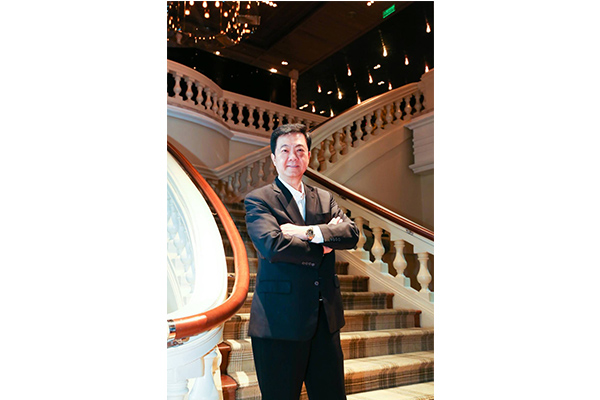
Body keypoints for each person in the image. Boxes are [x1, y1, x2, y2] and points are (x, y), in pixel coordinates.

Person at [244, 123, 359, 400]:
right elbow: (273, 246)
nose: (292, 157)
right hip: (279, 323)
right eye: (284, 150)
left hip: (325, 321)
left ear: (308, 156)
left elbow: (351, 234)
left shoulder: (325, 198)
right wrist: (323, 245)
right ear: (274, 158)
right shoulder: (258, 200)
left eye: (299, 150)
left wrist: (306, 232)